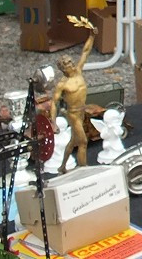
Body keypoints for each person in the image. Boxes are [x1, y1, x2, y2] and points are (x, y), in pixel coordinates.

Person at [51, 18, 97, 173]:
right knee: (83, 141)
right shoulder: (62, 84)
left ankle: (62, 166)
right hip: (73, 114)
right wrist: (53, 122)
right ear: (62, 69)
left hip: (82, 110)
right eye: (67, 65)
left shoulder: (78, 71)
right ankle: (84, 169)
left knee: (73, 141)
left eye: (71, 62)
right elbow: (53, 103)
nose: (70, 65)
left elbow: (85, 51)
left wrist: (92, 36)